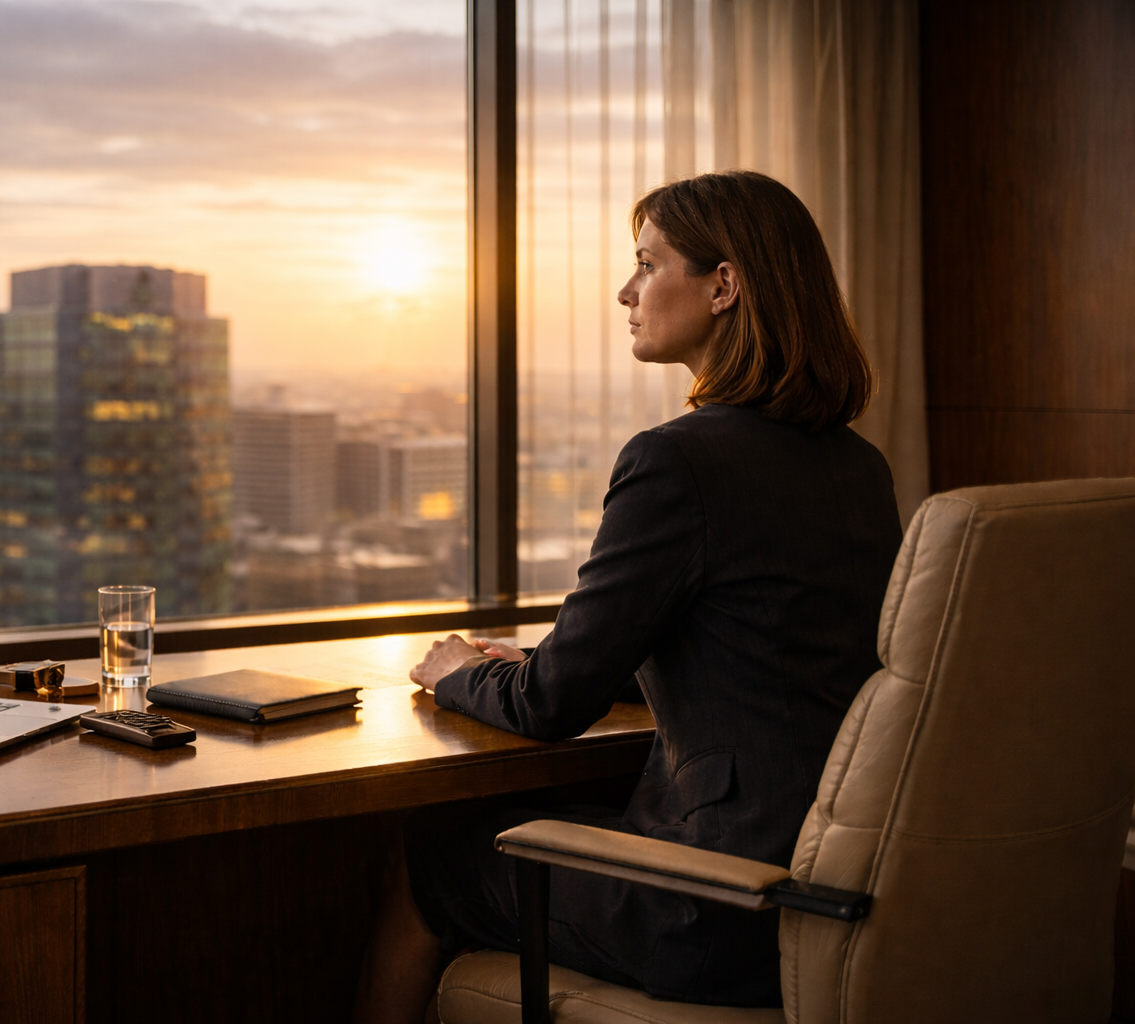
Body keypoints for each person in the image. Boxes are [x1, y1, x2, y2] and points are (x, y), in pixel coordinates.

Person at [352, 171, 904, 1023]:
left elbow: (548, 707)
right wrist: (555, 660)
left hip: (717, 906)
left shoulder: (678, 460)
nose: (626, 291)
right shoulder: (859, 467)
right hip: (827, 894)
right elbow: (761, 649)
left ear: (724, 286)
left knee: (429, 852)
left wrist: (458, 668)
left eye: (647, 265)